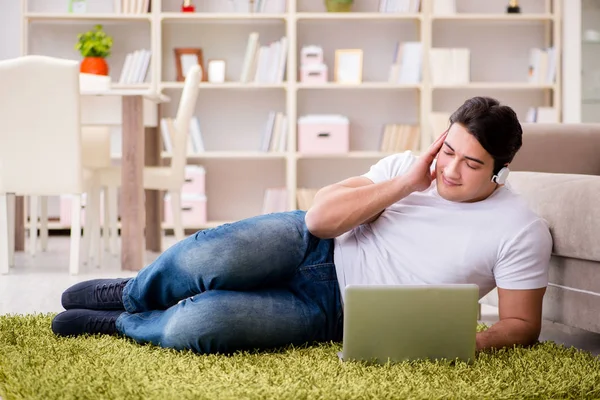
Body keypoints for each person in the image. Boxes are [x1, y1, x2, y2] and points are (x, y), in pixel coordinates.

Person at [52, 96, 553, 354]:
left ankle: (122, 324)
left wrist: (470, 342)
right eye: (448, 150)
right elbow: (320, 218)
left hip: (338, 313)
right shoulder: (410, 167)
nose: (450, 169)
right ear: (439, 140)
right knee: (209, 257)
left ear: (500, 171)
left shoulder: (519, 228)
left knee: (199, 325)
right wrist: (407, 183)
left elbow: (521, 325)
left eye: (471, 164)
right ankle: (135, 292)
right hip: (313, 245)